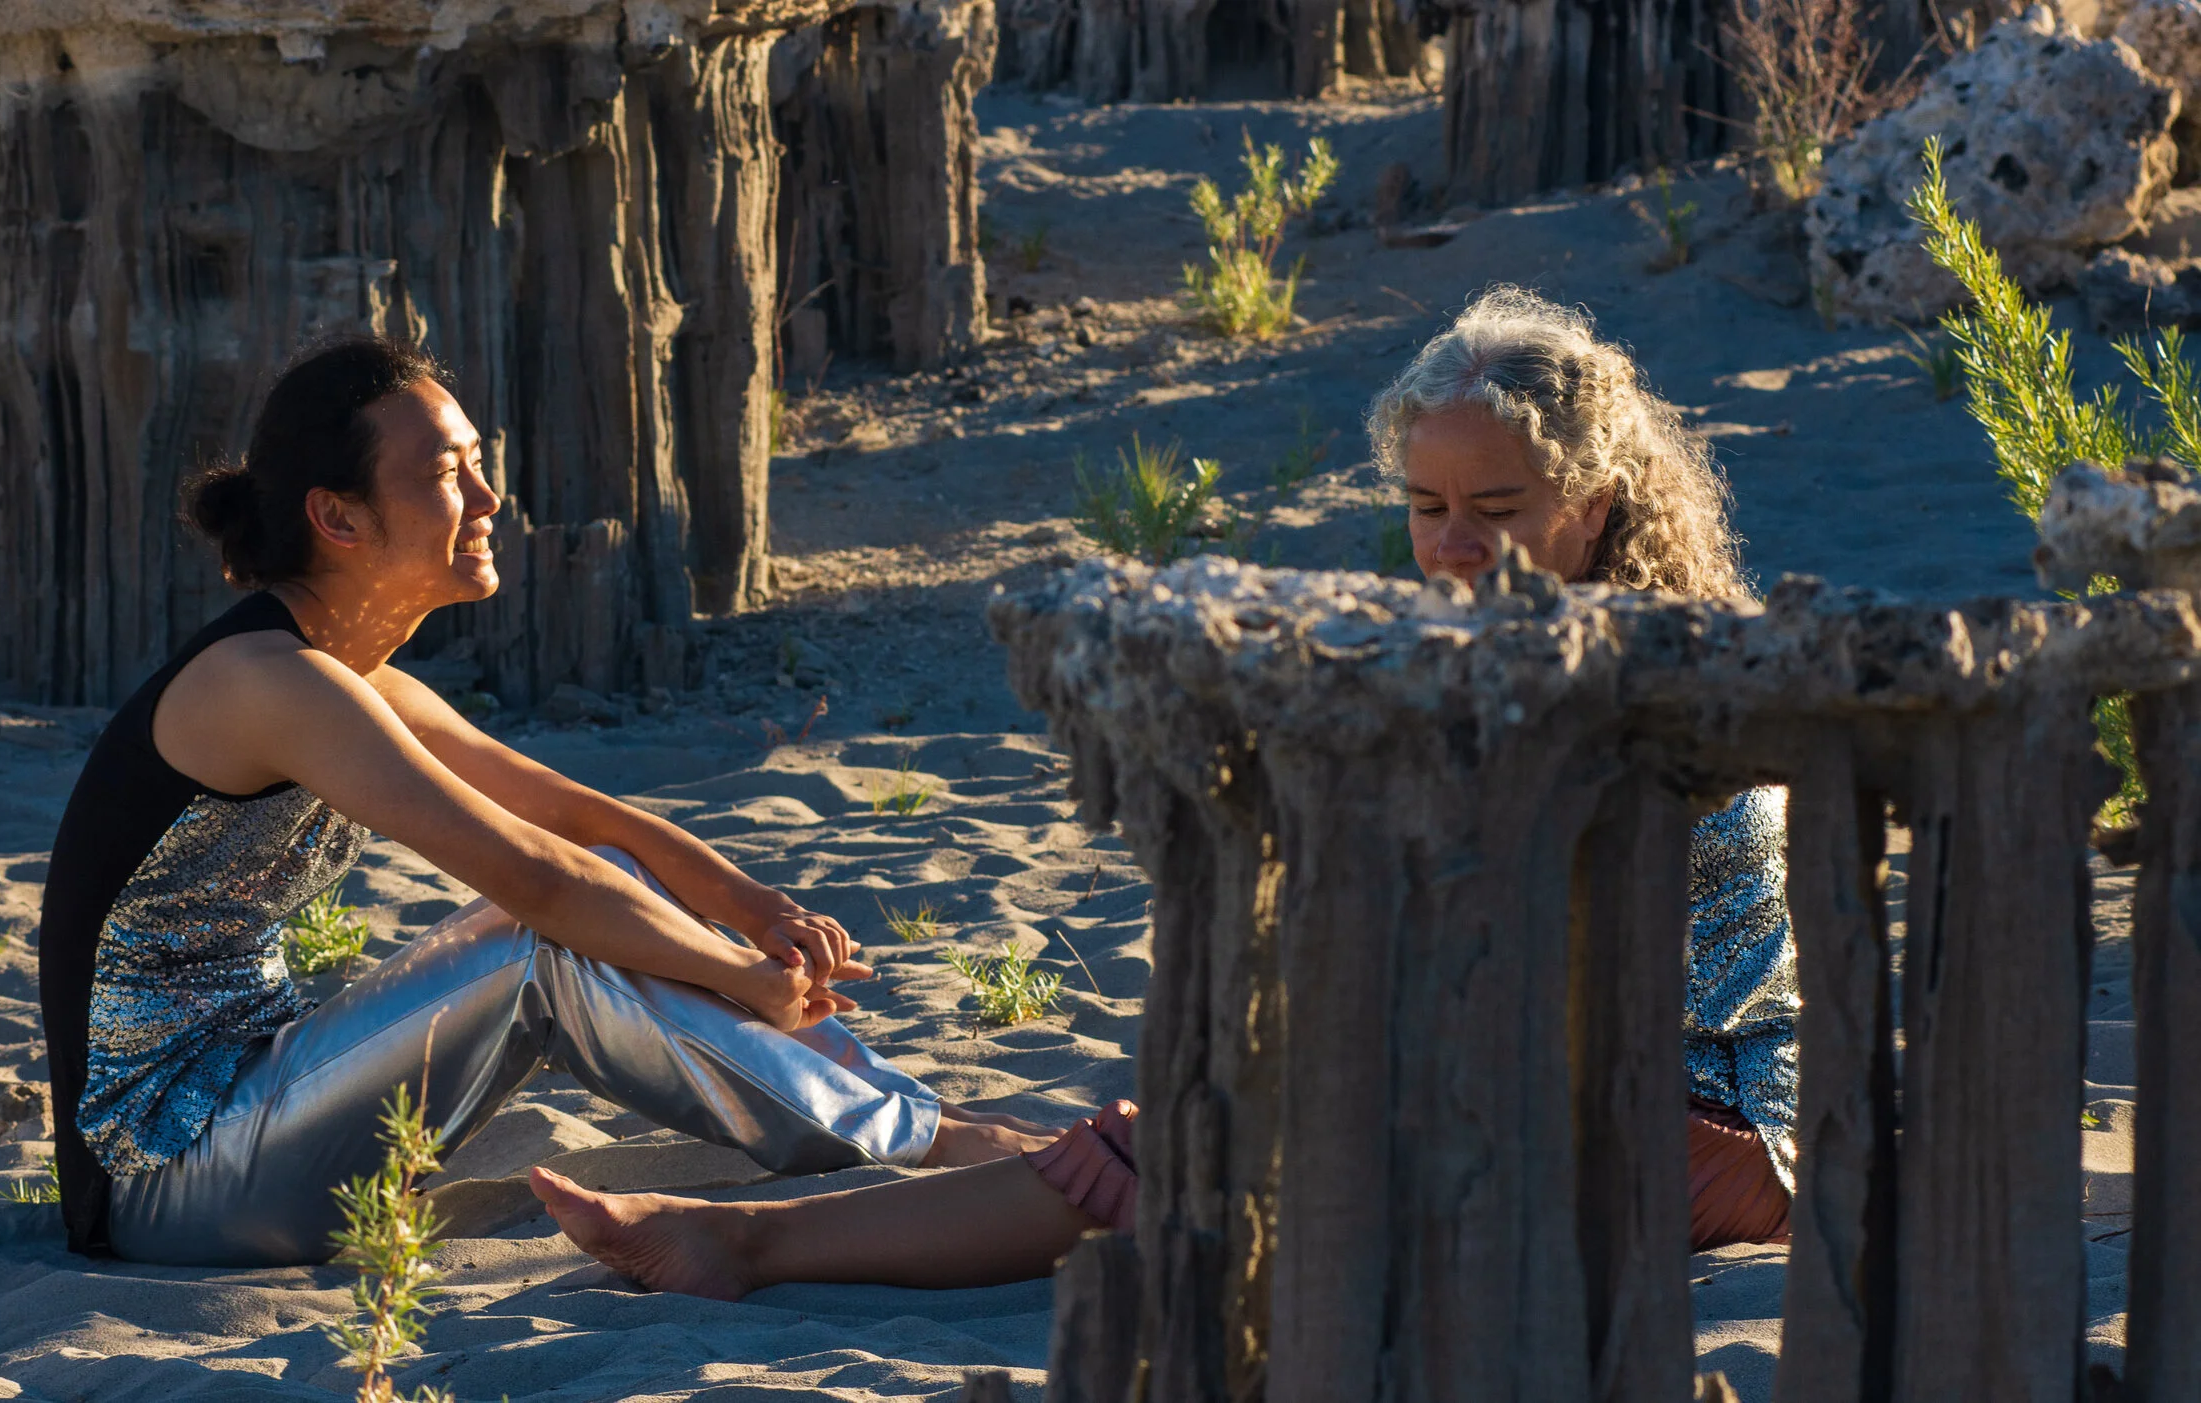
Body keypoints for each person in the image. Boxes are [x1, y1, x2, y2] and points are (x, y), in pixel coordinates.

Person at [527, 286, 1798, 1297]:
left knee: (1217, 1135)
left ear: (1594, 505)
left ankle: (743, 1247)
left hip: (1703, 1133)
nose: (1450, 542)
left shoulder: (1643, 685)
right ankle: (758, 1240)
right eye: (1425, 504)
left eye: (1496, 508)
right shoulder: (1503, 659)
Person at [36, 337, 1050, 1268]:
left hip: (264, 1086)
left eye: (482, 460)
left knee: (608, 888)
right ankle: (927, 1146)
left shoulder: (356, 678)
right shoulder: (265, 680)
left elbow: (583, 822)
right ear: (337, 516)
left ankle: (921, 1127)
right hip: (164, 1171)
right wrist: (739, 972)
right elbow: (530, 876)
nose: (487, 497)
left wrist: (756, 910)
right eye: (445, 473)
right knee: (540, 939)